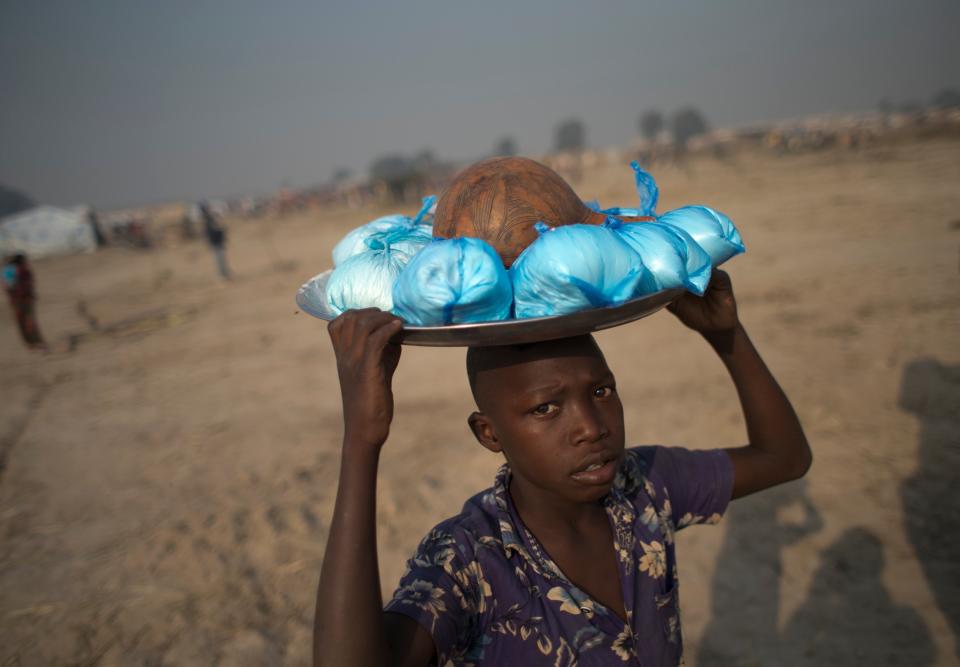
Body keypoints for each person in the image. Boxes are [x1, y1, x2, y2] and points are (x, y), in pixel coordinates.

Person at [313, 268, 812, 666]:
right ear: (489, 434)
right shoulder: (468, 558)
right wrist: (362, 441)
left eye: (601, 391)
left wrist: (727, 337)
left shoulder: (643, 486)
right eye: (546, 408)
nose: (591, 427)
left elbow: (784, 458)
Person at [3, 253, 47, 351]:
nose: (27, 262)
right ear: (21, 262)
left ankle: (32, 343)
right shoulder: (22, 271)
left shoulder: (10, 271)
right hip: (24, 300)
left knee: (22, 322)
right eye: (25, 261)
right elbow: (28, 284)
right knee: (29, 322)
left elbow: (7, 287)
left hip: (18, 301)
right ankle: (37, 343)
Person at [199, 202, 230, 279]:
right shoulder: (208, 220)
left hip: (217, 242)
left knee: (220, 259)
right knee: (219, 259)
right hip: (216, 242)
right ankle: (223, 275)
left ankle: (224, 274)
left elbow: (209, 233)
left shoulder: (209, 219)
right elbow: (210, 232)